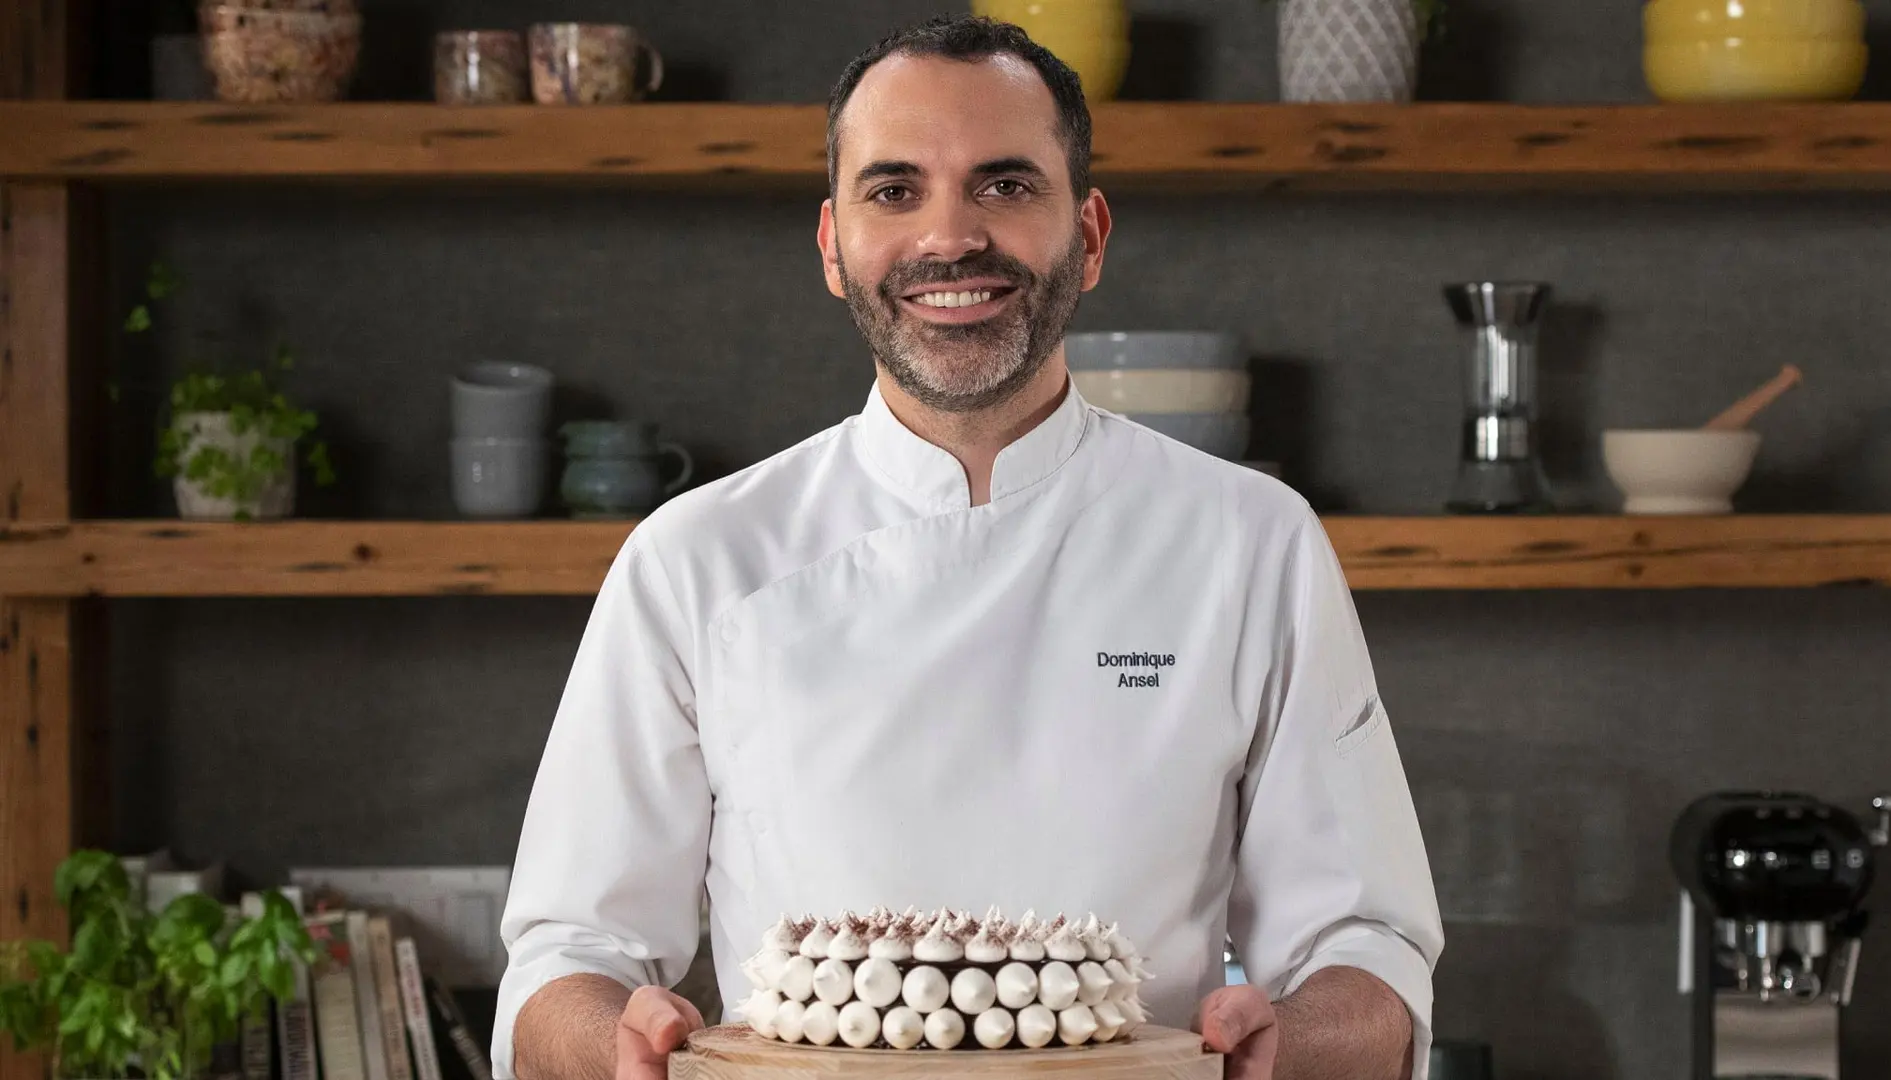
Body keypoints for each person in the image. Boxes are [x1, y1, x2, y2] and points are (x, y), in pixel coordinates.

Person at [492, 14, 1442, 1080]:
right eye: (894, 191)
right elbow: (568, 955)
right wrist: (615, 1044)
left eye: (1006, 185)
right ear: (833, 246)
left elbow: (1367, 950)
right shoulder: (695, 559)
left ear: (1089, 236)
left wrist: (1287, 1047)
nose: (949, 237)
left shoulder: (1252, 543)